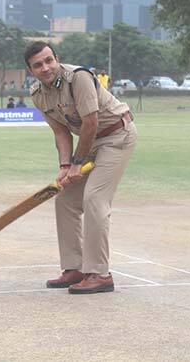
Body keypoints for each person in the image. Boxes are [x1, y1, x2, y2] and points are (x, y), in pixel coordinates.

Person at [24, 41, 137, 294]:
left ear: (57, 59)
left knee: (94, 198)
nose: (45, 67)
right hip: (93, 142)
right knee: (65, 199)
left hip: (117, 135)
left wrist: (77, 164)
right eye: (38, 65)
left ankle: (99, 273)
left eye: (49, 60)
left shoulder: (79, 78)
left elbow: (90, 122)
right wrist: (65, 167)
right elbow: (61, 132)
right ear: (31, 71)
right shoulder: (38, 95)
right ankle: (74, 268)